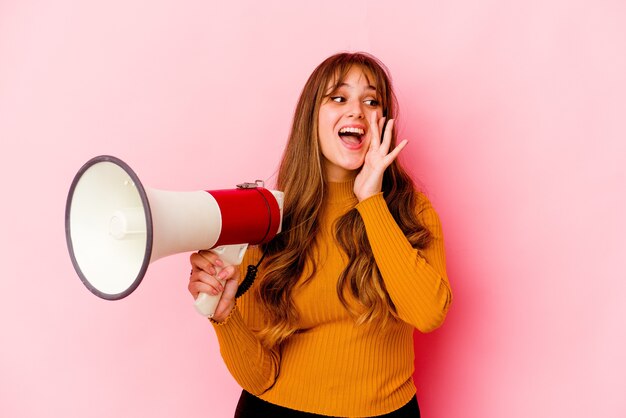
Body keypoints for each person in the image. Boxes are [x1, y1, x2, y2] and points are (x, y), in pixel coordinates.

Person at [188, 52, 452, 417]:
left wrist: (371, 201)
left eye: (371, 100)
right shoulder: (269, 217)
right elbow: (259, 378)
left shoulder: (410, 213)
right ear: (311, 117)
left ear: (383, 121)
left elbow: (427, 313)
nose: (357, 111)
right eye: (338, 98)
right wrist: (225, 315)